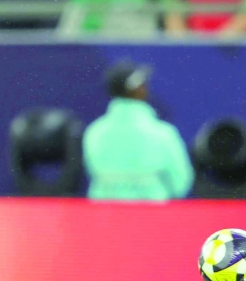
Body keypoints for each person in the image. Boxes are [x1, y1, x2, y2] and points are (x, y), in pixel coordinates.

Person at [83, 62, 194, 201]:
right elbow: (180, 185)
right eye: (143, 84)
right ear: (139, 90)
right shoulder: (164, 134)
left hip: (104, 218)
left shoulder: (94, 132)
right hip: (152, 218)